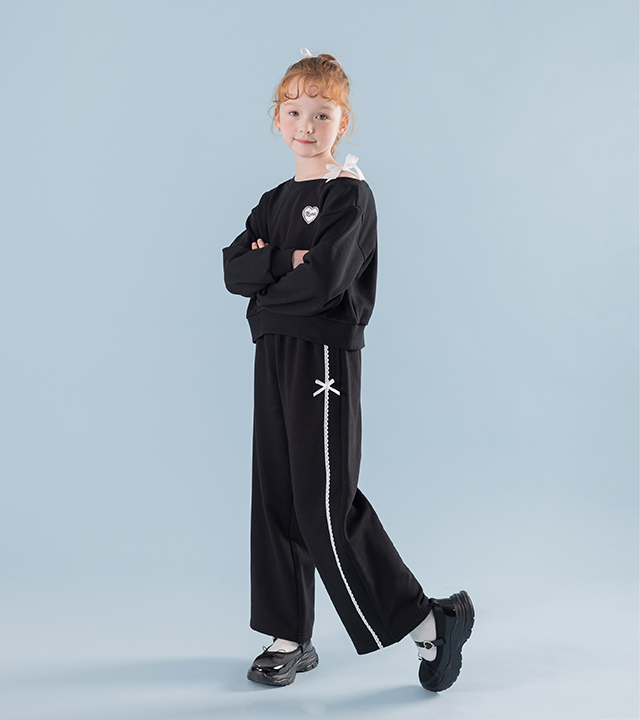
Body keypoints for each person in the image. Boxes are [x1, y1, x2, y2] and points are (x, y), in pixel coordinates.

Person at [222, 48, 474, 692]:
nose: (306, 125)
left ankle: (430, 621)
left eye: (322, 114)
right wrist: (288, 261)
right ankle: (288, 633)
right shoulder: (272, 201)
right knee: (275, 493)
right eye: (294, 112)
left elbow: (326, 281)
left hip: (322, 359)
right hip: (273, 352)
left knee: (323, 500)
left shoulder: (350, 196)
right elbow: (232, 269)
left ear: (344, 122)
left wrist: (271, 274)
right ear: (277, 118)